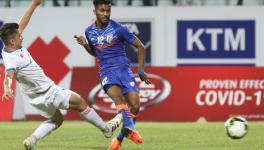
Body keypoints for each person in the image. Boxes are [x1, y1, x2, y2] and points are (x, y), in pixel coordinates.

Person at [0, 0, 122, 150]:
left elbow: (22, 23)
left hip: (35, 99)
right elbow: (8, 75)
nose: (22, 36)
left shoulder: (9, 48)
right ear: (12, 41)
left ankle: (32, 140)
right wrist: (7, 88)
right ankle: (106, 129)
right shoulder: (12, 59)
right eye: (19, 36)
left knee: (57, 119)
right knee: (80, 103)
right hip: (48, 92)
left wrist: (34, 4)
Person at [74, 0, 151, 149]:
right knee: (119, 99)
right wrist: (85, 44)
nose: (105, 14)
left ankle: (118, 141)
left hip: (124, 70)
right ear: (94, 12)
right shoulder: (89, 32)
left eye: (108, 11)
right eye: (102, 11)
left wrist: (141, 71)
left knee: (135, 106)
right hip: (106, 72)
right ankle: (131, 129)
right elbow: (95, 52)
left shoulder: (119, 28)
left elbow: (140, 46)